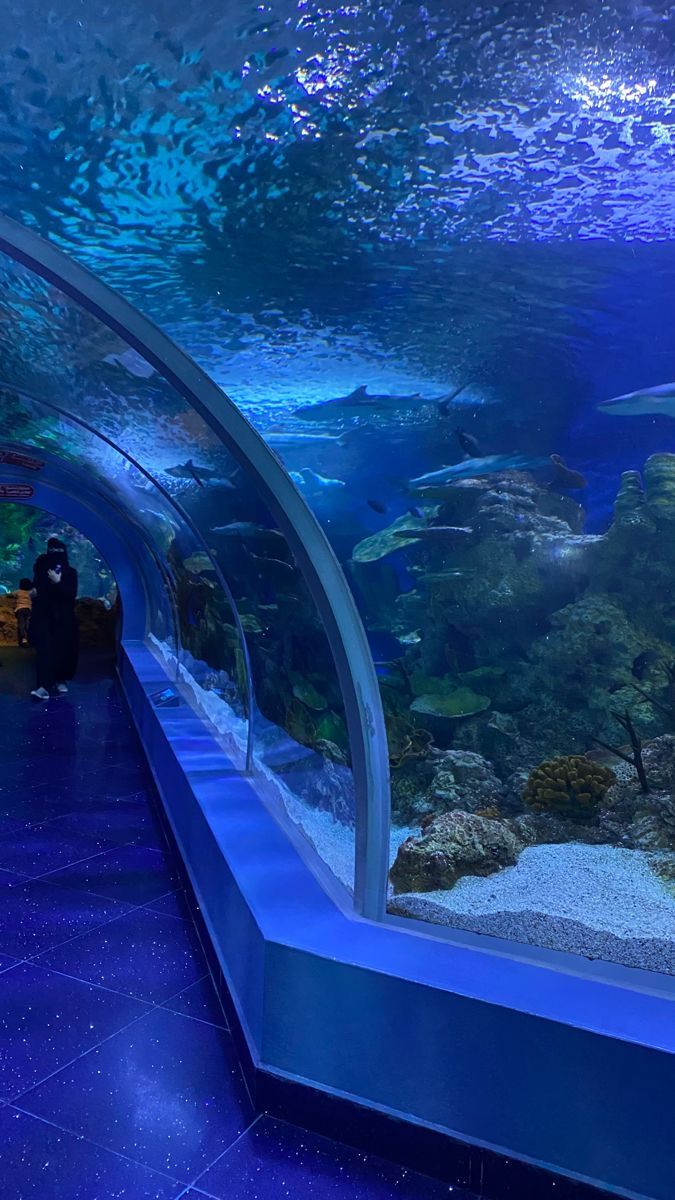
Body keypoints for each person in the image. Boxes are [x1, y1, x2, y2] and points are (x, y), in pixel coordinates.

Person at [29, 537, 79, 701]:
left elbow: (70, 595)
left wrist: (59, 582)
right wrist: (35, 595)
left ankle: (60, 679)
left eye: (58, 552)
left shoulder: (70, 573)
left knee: (63, 650)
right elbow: (39, 591)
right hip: (44, 617)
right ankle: (43, 686)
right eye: (52, 552)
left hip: (64, 619)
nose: (55, 556)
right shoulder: (42, 570)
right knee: (44, 650)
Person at [15, 577, 32, 647]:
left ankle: (23, 639)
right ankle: (30, 639)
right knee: (28, 624)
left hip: (20, 609)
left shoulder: (18, 592)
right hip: (29, 609)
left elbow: (9, 595)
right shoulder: (31, 592)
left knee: (21, 624)